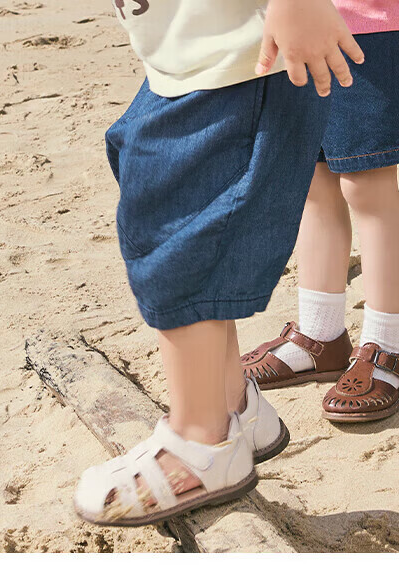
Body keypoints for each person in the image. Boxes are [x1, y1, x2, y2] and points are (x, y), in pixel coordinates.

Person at [74, 0, 364, 526]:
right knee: (173, 214)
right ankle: (233, 406)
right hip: (192, 58)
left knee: (179, 241)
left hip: (239, 62)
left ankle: (202, 442)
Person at [241, 0, 399, 422]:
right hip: (294, 24)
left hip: (371, 25)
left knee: (366, 187)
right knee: (313, 180)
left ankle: (386, 346)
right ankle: (321, 336)